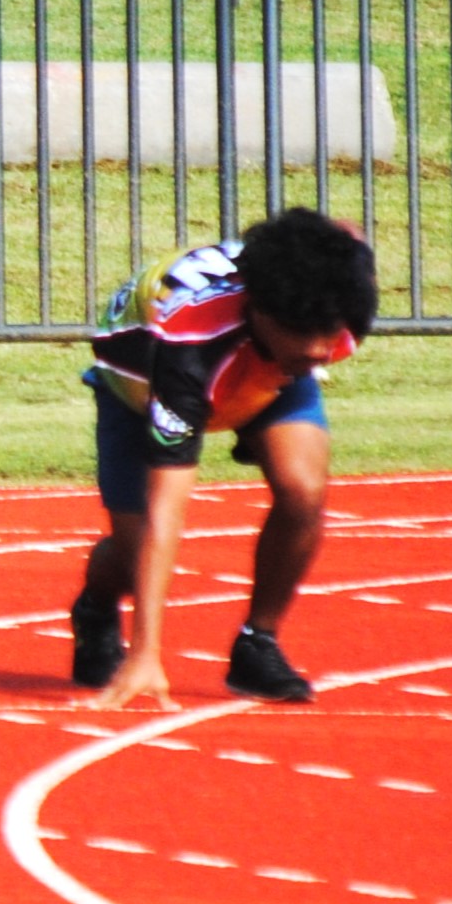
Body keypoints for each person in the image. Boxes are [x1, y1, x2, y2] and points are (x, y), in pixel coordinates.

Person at [70, 208, 377, 709]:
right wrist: (147, 652)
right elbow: (166, 510)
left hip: (262, 374)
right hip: (141, 386)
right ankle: (96, 607)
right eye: (304, 332)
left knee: (304, 492)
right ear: (260, 310)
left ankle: (259, 643)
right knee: (136, 548)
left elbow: (346, 236)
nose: (323, 349)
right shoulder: (189, 347)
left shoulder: (338, 301)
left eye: (331, 331)